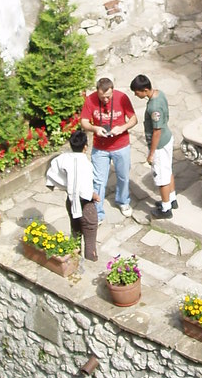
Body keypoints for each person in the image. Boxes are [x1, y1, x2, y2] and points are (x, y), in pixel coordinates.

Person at [80, 77, 137, 221]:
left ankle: (123, 201)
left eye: (108, 97)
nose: (105, 100)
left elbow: (134, 119)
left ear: (113, 90)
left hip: (121, 144)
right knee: (98, 180)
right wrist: (95, 128)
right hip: (100, 147)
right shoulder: (90, 100)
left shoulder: (122, 98)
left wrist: (122, 127)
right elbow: (84, 122)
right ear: (97, 92)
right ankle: (97, 212)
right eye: (102, 97)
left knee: (123, 176)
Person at [45, 129, 99, 261]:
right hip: (85, 205)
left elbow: (52, 171)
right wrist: (93, 195)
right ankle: (90, 258)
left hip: (70, 201)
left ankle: (74, 257)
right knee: (90, 231)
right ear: (85, 146)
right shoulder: (85, 164)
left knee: (75, 230)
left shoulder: (63, 158)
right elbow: (83, 188)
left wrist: (61, 185)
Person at [130, 74, 177, 219]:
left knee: (161, 177)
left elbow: (157, 131)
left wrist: (151, 153)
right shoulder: (159, 94)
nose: (135, 94)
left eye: (136, 92)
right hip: (167, 139)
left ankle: (166, 208)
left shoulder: (153, 107)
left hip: (159, 145)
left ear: (144, 90)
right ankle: (172, 198)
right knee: (167, 170)